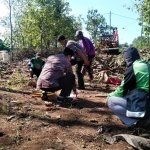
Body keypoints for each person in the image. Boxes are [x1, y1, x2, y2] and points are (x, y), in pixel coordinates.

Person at [106, 47, 150, 129]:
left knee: (111, 101)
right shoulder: (147, 64)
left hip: (144, 104)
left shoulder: (133, 68)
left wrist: (109, 96)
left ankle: (134, 122)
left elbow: (122, 89)